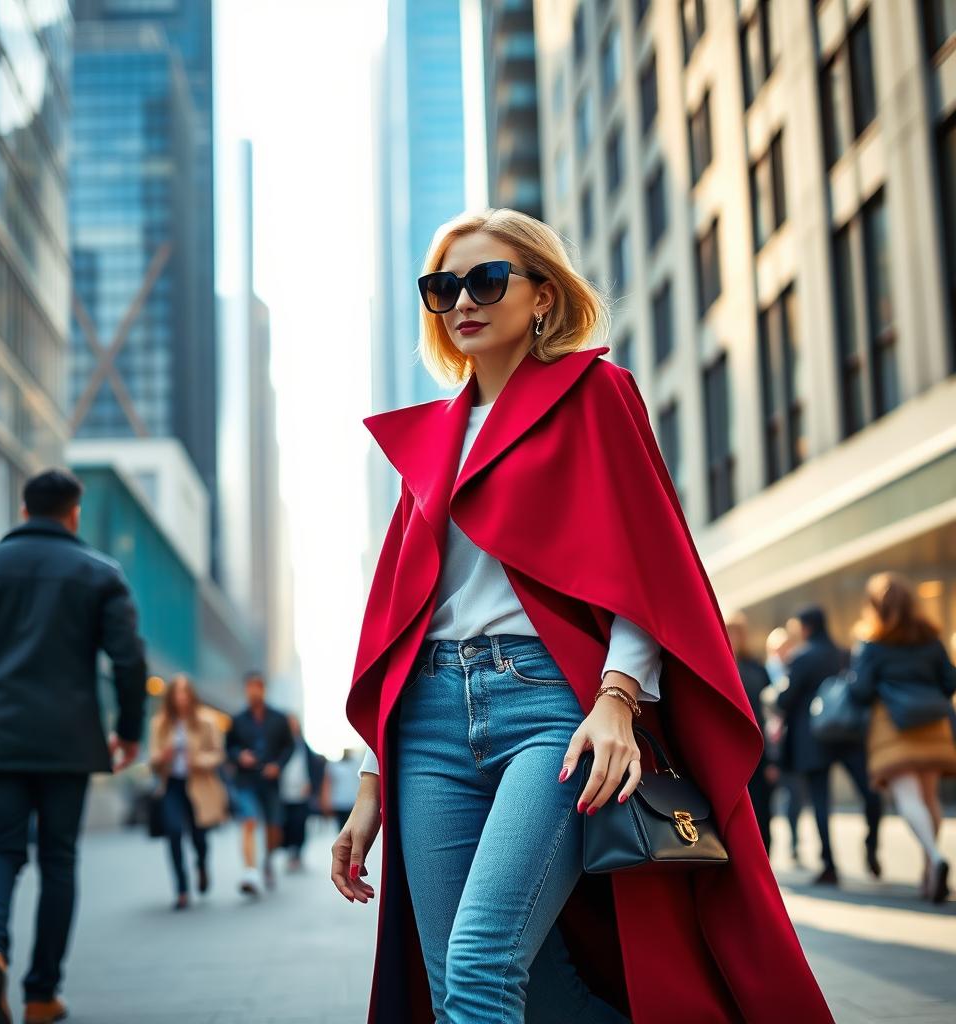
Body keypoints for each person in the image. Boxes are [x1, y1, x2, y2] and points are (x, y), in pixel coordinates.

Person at [331, 209, 832, 1022]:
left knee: (479, 962)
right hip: (425, 723)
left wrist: (617, 699)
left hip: (550, 711)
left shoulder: (596, 394)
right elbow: (402, 612)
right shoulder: (431, 440)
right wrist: (370, 782)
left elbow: (650, 568)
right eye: (442, 286)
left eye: (487, 280)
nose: (463, 300)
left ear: (542, 297)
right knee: (504, 979)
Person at [0, 468, 146, 1024]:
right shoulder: (100, 573)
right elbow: (128, 661)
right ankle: (41, 994)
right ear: (73, 514)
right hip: (67, 742)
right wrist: (128, 730)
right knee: (58, 861)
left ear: (23, 512)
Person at [849, 572, 956, 903]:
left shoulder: (872, 644)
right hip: (933, 725)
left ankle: (935, 860)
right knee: (929, 797)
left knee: (908, 799)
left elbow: (861, 692)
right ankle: (928, 871)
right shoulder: (931, 638)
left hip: (893, 728)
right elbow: (949, 681)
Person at [775, 604, 883, 885]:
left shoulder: (801, 658)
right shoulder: (844, 654)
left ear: (806, 627)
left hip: (812, 739)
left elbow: (785, 700)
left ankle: (829, 865)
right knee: (870, 791)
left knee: (821, 801)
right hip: (848, 734)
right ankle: (872, 845)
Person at [148, 674, 226, 909]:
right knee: (173, 831)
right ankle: (181, 888)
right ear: (171, 696)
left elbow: (218, 754)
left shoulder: (207, 720)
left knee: (199, 835)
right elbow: (152, 757)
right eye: (177, 693)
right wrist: (162, 757)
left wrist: (199, 760)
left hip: (199, 785)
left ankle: (201, 865)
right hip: (172, 784)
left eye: (185, 692)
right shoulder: (160, 723)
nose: (181, 697)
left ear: (191, 695)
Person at [226, 672, 293, 894]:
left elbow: (289, 746)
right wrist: (239, 756)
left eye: (258, 687)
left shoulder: (278, 718)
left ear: (263, 689)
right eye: (250, 687)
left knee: (274, 827)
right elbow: (229, 748)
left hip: (270, 780)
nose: (254, 691)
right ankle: (250, 872)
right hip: (246, 780)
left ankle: (267, 862)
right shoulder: (237, 720)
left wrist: (278, 766)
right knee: (249, 820)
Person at [726, 611, 775, 852]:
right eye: (730, 631)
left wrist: (773, 758)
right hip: (730, 749)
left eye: (739, 632)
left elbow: (770, 711)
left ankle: (765, 857)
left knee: (763, 809)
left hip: (759, 748)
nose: (735, 637)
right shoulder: (720, 665)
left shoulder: (756, 667)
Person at [765, 624, 804, 861]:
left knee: (794, 795)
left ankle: (794, 840)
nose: (783, 652)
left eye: (786, 646)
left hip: (788, 745)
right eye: (779, 648)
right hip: (769, 745)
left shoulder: (794, 669)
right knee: (768, 800)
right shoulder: (765, 672)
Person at [278, 714, 321, 871]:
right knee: (286, 824)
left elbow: (314, 767)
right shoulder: (280, 745)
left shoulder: (304, 747)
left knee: (300, 823)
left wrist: (311, 785)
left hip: (301, 792)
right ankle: (290, 851)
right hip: (283, 793)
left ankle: (297, 852)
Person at [322, 749, 363, 830]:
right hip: (339, 803)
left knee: (354, 829)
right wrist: (326, 801)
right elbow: (328, 784)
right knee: (341, 829)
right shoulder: (333, 765)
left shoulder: (357, 764)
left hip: (353, 802)